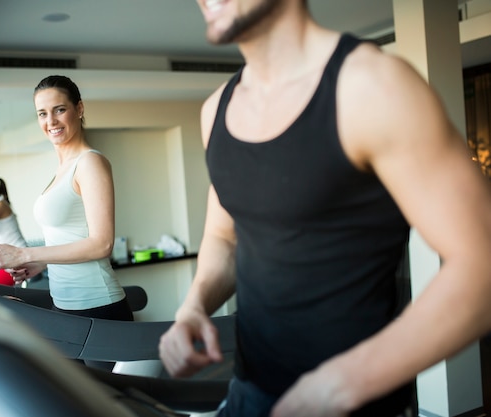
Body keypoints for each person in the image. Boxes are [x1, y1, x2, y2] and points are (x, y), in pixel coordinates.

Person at [158, 1, 491, 416]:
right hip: (247, 392)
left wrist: (341, 384)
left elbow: (482, 266)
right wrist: (192, 306)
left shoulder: (371, 86)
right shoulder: (216, 110)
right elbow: (223, 236)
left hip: (350, 401)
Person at [0, 75, 133, 369]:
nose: (50, 120)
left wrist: (25, 254)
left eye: (59, 109)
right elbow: (69, 236)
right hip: (65, 305)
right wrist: (42, 264)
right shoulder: (62, 168)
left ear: (79, 108)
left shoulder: (90, 163)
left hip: (98, 308)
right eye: (42, 113)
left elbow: (101, 244)